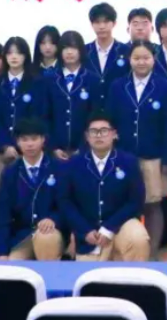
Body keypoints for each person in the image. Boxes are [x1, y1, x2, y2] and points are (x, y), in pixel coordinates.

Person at [105, 40, 167, 259]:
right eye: (136, 58)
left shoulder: (165, 86)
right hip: (123, 157)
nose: (141, 62)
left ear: (154, 59)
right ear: (129, 59)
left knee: (153, 206)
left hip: (154, 157)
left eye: (146, 58)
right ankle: (127, 253)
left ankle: (151, 254)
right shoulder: (118, 86)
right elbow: (109, 120)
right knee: (125, 204)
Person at [59, 112, 150, 261]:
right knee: (89, 273)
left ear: (114, 134)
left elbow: (136, 201)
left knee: (138, 237)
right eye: (93, 131)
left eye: (104, 131)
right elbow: (65, 201)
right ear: (87, 136)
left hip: (121, 226)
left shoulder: (129, 162)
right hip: (89, 234)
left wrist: (109, 228)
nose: (99, 135)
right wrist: (84, 230)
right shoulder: (73, 164)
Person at [0, 119, 64, 261]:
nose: (29, 144)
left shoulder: (58, 168)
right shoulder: (10, 173)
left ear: (43, 139)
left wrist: (53, 219)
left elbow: (67, 204)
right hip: (22, 236)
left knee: (46, 237)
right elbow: (2, 214)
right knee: (12, 265)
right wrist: (1, 253)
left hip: (53, 233)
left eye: (34, 139)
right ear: (17, 142)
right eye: (24, 140)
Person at [0, 37, 49, 194]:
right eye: (9, 53)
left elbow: (38, 116)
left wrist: (20, 143)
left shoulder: (37, 82)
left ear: (26, 56)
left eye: (18, 53)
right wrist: (5, 145)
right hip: (0, 151)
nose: (14, 57)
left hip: (28, 149)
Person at [48, 30, 101, 160]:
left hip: (85, 150)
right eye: (65, 48)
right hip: (55, 151)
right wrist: (53, 147)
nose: (69, 52)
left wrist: (83, 147)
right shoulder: (50, 79)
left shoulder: (92, 79)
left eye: (73, 48)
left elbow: (95, 116)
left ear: (81, 50)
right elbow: (45, 116)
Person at [86, 3, 130, 85]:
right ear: (91, 24)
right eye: (97, 22)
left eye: (106, 22)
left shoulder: (125, 50)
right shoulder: (84, 51)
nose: (102, 26)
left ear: (114, 23)